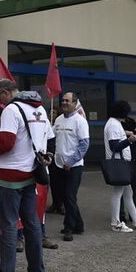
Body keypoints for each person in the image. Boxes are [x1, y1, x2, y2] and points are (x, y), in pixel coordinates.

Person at [0, 80, 51, 272]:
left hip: (10, 176)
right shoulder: (40, 110)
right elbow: (48, 140)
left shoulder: (11, 109)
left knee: (9, 226)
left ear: (5, 93)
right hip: (31, 173)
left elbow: (6, 142)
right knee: (32, 224)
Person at [51, 92, 90, 241]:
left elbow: (84, 144)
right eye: (63, 101)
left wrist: (71, 161)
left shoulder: (80, 121)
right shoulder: (59, 119)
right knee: (66, 197)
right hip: (59, 164)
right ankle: (78, 225)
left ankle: (69, 228)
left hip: (74, 166)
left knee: (69, 196)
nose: (64, 103)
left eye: (67, 101)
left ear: (74, 103)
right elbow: (51, 136)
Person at [104, 100, 136, 233]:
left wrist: (125, 134)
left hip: (122, 163)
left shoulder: (115, 124)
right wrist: (129, 140)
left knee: (128, 193)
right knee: (118, 193)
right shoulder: (113, 125)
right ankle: (116, 222)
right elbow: (114, 146)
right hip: (119, 164)